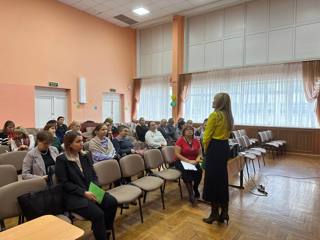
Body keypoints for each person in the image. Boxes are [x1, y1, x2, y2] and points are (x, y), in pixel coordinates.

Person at [55, 131, 117, 240]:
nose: (82, 144)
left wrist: (95, 188)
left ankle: (106, 230)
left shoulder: (85, 155)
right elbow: (64, 184)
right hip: (74, 195)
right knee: (98, 214)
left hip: (90, 190)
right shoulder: (62, 160)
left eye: (82, 141)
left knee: (112, 202)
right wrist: (84, 193)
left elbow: (93, 175)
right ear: (69, 144)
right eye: (78, 142)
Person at [202, 92, 234, 225]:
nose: (212, 101)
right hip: (224, 148)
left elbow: (207, 137)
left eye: (214, 99)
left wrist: (205, 151)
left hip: (214, 148)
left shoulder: (214, 115)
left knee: (211, 181)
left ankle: (214, 213)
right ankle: (224, 212)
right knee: (222, 179)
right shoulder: (228, 116)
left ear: (219, 103)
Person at [175, 126, 202, 205]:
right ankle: (191, 194)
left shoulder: (196, 140)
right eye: (187, 130)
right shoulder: (180, 140)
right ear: (184, 132)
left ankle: (195, 188)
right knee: (187, 172)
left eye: (191, 130)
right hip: (181, 161)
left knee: (199, 172)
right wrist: (188, 161)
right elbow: (177, 154)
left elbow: (200, 153)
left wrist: (197, 160)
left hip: (194, 161)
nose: (190, 131)